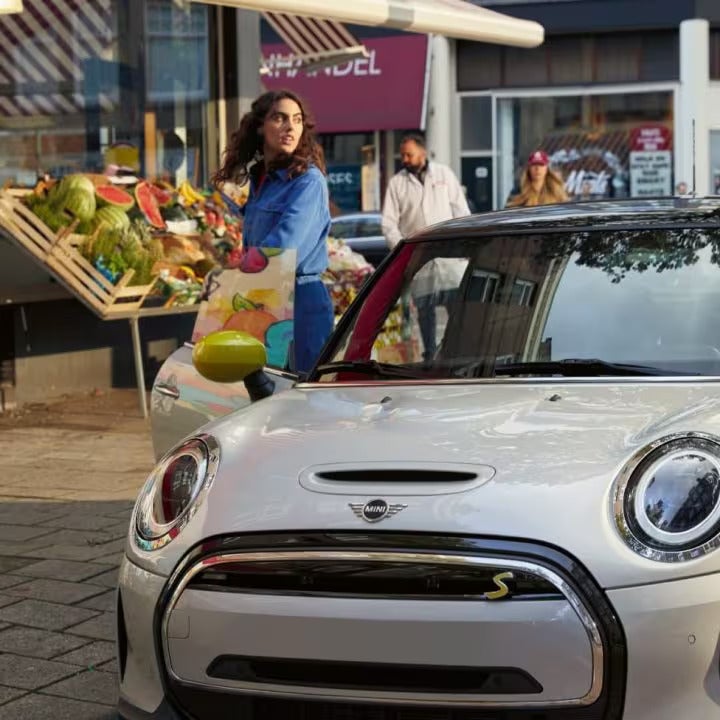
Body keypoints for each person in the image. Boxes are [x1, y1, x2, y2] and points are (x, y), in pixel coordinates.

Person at [212, 90, 333, 375]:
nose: (290, 127)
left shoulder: (308, 181)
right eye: (280, 118)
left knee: (300, 400)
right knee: (264, 400)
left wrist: (233, 275)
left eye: (297, 119)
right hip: (262, 297)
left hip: (300, 302)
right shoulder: (261, 181)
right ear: (259, 126)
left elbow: (284, 246)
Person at [381, 132, 471, 360]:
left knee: (456, 309)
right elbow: (388, 223)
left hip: (450, 256)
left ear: (422, 152)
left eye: (409, 154)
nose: (405, 159)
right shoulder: (397, 183)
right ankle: (430, 356)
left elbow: (461, 211)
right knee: (425, 312)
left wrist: (464, 244)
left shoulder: (444, 174)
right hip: (418, 258)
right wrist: (403, 250)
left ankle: (457, 353)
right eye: (402, 155)